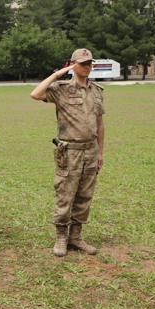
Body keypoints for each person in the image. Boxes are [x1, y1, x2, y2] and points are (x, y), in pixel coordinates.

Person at [30, 48, 105, 257]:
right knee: (65, 194)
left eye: (90, 63)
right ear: (73, 65)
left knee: (84, 195)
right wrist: (57, 74)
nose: (88, 67)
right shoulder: (61, 89)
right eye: (83, 63)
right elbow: (35, 94)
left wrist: (100, 153)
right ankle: (61, 237)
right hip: (69, 150)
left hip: (90, 149)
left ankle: (76, 237)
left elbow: (100, 124)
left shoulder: (97, 91)